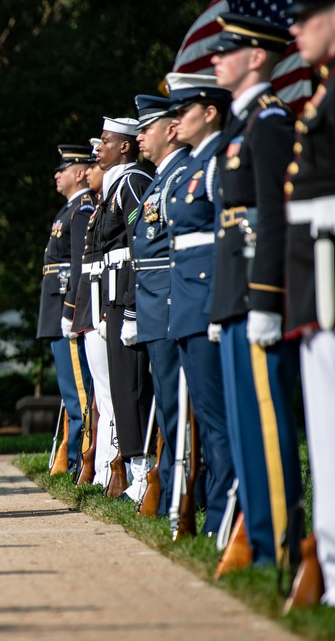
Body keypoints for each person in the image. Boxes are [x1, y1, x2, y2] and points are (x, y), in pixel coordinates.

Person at [208, 13, 303, 570]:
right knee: (245, 426)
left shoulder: (268, 123)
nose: (216, 58)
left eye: (229, 50)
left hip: (257, 298)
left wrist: (266, 297)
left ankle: (283, 543)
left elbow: (273, 217)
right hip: (235, 297)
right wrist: (225, 302)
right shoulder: (240, 126)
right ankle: (260, 539)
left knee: (266, 425)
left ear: (258, 58)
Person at [284, 0, 335, 606]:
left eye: (307, 17)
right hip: (318, 290)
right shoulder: (330, 90)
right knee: (330, 441)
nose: (295, 29)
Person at [164, 72, 236, 535]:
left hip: (207, 300)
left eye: (182, 112)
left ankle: (227, 515)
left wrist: (219, 304)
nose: (175, 123)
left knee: (217, 417)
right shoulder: (190, 164)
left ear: (209, 112)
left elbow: (228, 237)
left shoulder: (218, 161)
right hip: (186, 303)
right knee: (205, 420)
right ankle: (218, 508)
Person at [131, 94, 188, 515]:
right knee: (168, 404)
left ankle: (180, 491)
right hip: (154, 305)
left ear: (170, 130)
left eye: (146, 128)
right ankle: (171, 488)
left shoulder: (179, 174)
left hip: (168, 303)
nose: (139, 137)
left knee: (176, 405)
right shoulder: (159, 178)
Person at [94, 116, 153, 499]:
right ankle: (135, 469)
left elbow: (139, 247)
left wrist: (131, 308)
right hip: (114, 297)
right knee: (120, 386)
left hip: (126, 296)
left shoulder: (132, 182)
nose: (99, 147)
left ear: (126, 146)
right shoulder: (115, 185)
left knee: (132, 385)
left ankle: (144, 471)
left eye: (106, 140)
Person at [39, 145, 94, 469]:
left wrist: (70, 310)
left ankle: (80, 458)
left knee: (78, 393)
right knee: (70, 390)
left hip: (65, 306)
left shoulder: (82, 209)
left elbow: (77, 266)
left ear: (79, 172)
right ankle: (73, 455)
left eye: (64, 168)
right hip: (56, 304)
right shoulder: (70, 209)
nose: (57, 174)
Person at [68, 141, 118, 487]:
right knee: (101, 394)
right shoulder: (96, 205)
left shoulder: (97, 203)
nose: (88, 173)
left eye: (93, 167)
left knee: (108, 394)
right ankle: (100, 466)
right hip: (92, 308)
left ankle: (109, 465)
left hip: (103, 308)